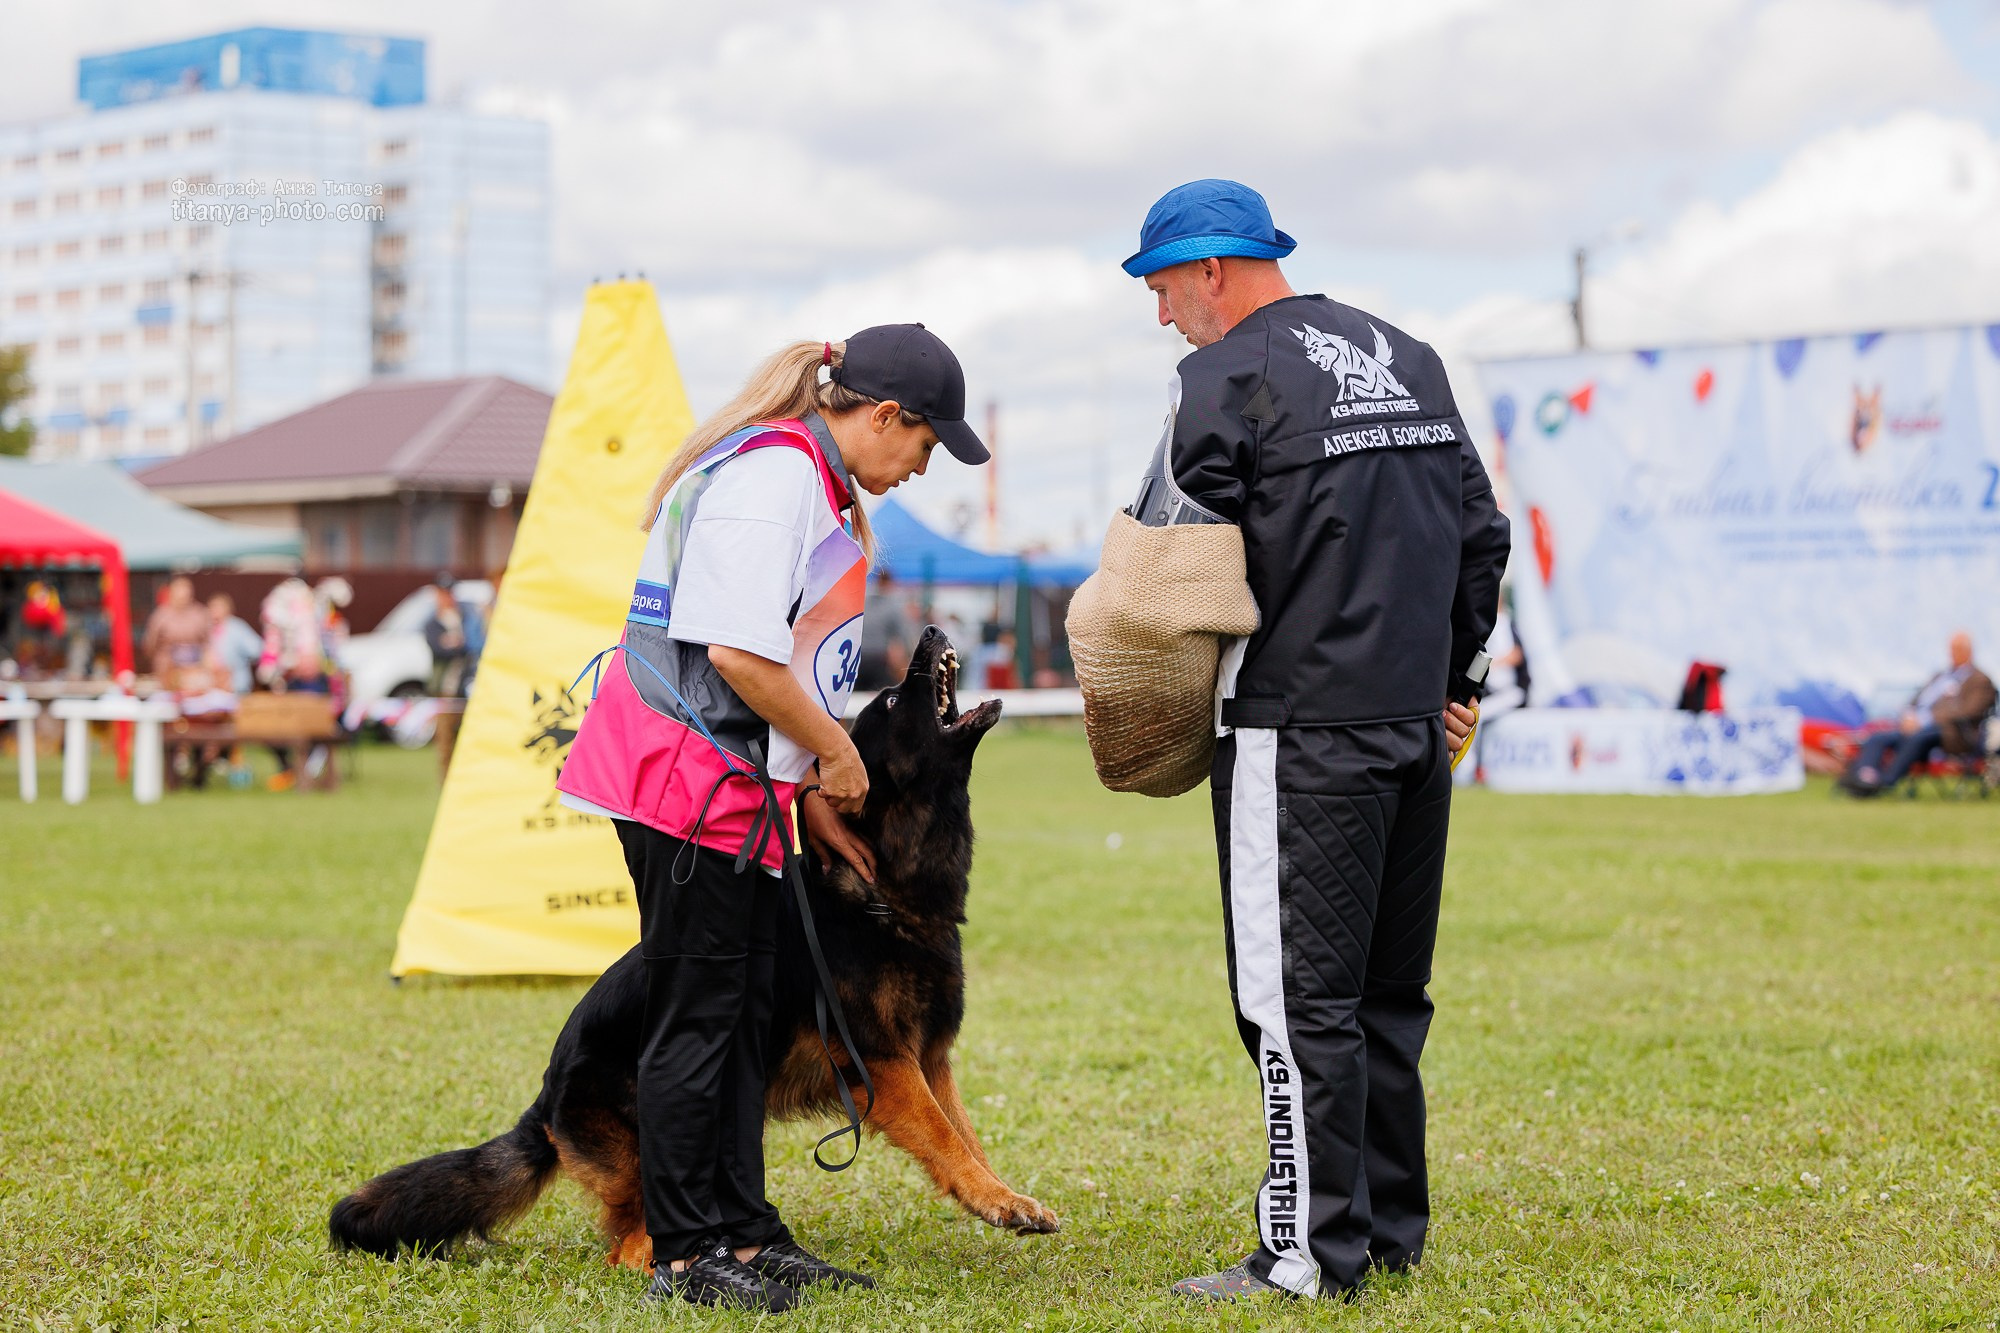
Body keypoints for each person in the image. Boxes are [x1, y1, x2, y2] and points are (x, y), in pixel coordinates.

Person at [1120, 180, 1510, 1302]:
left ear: (1208, 269)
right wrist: (1452, 682)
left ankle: (1302, 1255)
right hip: (1407, 732)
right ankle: (1384, 1231)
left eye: (1158, 287)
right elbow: (1477, 534)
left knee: (1293, 1005)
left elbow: (1165, 554)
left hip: (1294, 737)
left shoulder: (1221, 376)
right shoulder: (1413, 355)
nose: (1160, 316)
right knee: (1387, 999)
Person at [555, 326, 990, 1313]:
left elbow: (763, 670)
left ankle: (743, 1235)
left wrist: (800, 791)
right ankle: (683, 1248)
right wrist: (835, 755)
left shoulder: (810, 479)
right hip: (683, 780)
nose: (922, 466)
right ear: (882, 415)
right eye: (924, 443)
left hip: (734, 786)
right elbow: (741, 660)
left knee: (745, 1011)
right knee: (698, 1013)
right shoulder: (774, 481)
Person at [1840, 632, 1994, 795]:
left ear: (1968, 651)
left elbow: (1970, 711)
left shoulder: (1979, 680)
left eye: (1956, 649)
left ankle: (1884, 782)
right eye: (1951, 649)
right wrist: (1909, 716)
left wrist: (1925, 720)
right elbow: (1916, 701)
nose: (1952, 653)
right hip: (1916, 726)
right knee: (1877, 738)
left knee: (1918, 737)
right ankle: (1864, 777)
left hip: (1952, 733)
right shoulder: (1940, 675)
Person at [141, 576, 213, 682]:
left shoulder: (200, 613)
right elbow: (150, 644)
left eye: (186, 593)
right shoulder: (161, 615)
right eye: (179, 594)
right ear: (171, 594)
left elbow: (208, 643)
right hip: (167, 669)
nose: (183, 597)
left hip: (193, 670)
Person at [423, 576, 470, 698]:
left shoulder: (465, 617)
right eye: (444, 594)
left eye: (450, 593)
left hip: (462, 683)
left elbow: (470, 644)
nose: (448, 597)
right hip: (441, 684)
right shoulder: (433, 623)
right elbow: (438, 648)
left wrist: (452, 642)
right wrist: (455, 643)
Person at [208, 594, 263, 696]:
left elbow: (257, 650)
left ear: (228, 609)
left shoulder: (237, 628)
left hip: (237, 687)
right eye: (212, 607)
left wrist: (240, 660)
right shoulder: (209, 628)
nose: (214, 611)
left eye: (218, 607)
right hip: (215, 686)